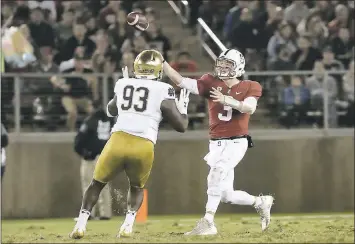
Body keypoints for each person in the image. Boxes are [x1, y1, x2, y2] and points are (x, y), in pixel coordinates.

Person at [69, 50, 190, 239]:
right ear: (158, 70)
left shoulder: (123, 83)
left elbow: (110, 110)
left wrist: (123, 91)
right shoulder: (163, 89)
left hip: (117, 140)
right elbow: (181, 126)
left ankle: (81, 224)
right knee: (136, 187)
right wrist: (183, 109)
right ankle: (127, 225)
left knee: (96, 184)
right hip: (143, 144)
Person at [162, 48, 274, 235]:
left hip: (237, 141)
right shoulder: (210, 82)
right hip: (216, 143)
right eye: (220, 63)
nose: (222, 67)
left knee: (216, 173)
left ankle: (208, 222)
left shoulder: (250, 85)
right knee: (226, 195)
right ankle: (261, 202)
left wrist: (227, 100)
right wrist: (163, 62)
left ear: (238, 67)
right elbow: (181, 81)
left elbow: (249, 108)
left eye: (227, 64)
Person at [74, 107, 115, 220]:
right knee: (104, 185)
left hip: (91, 157)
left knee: (88, 185)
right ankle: (105, 213)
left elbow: (80, 138)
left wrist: (82, 151)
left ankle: (88, 213)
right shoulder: (111, 121)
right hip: (105, 157)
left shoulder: (90, 121)